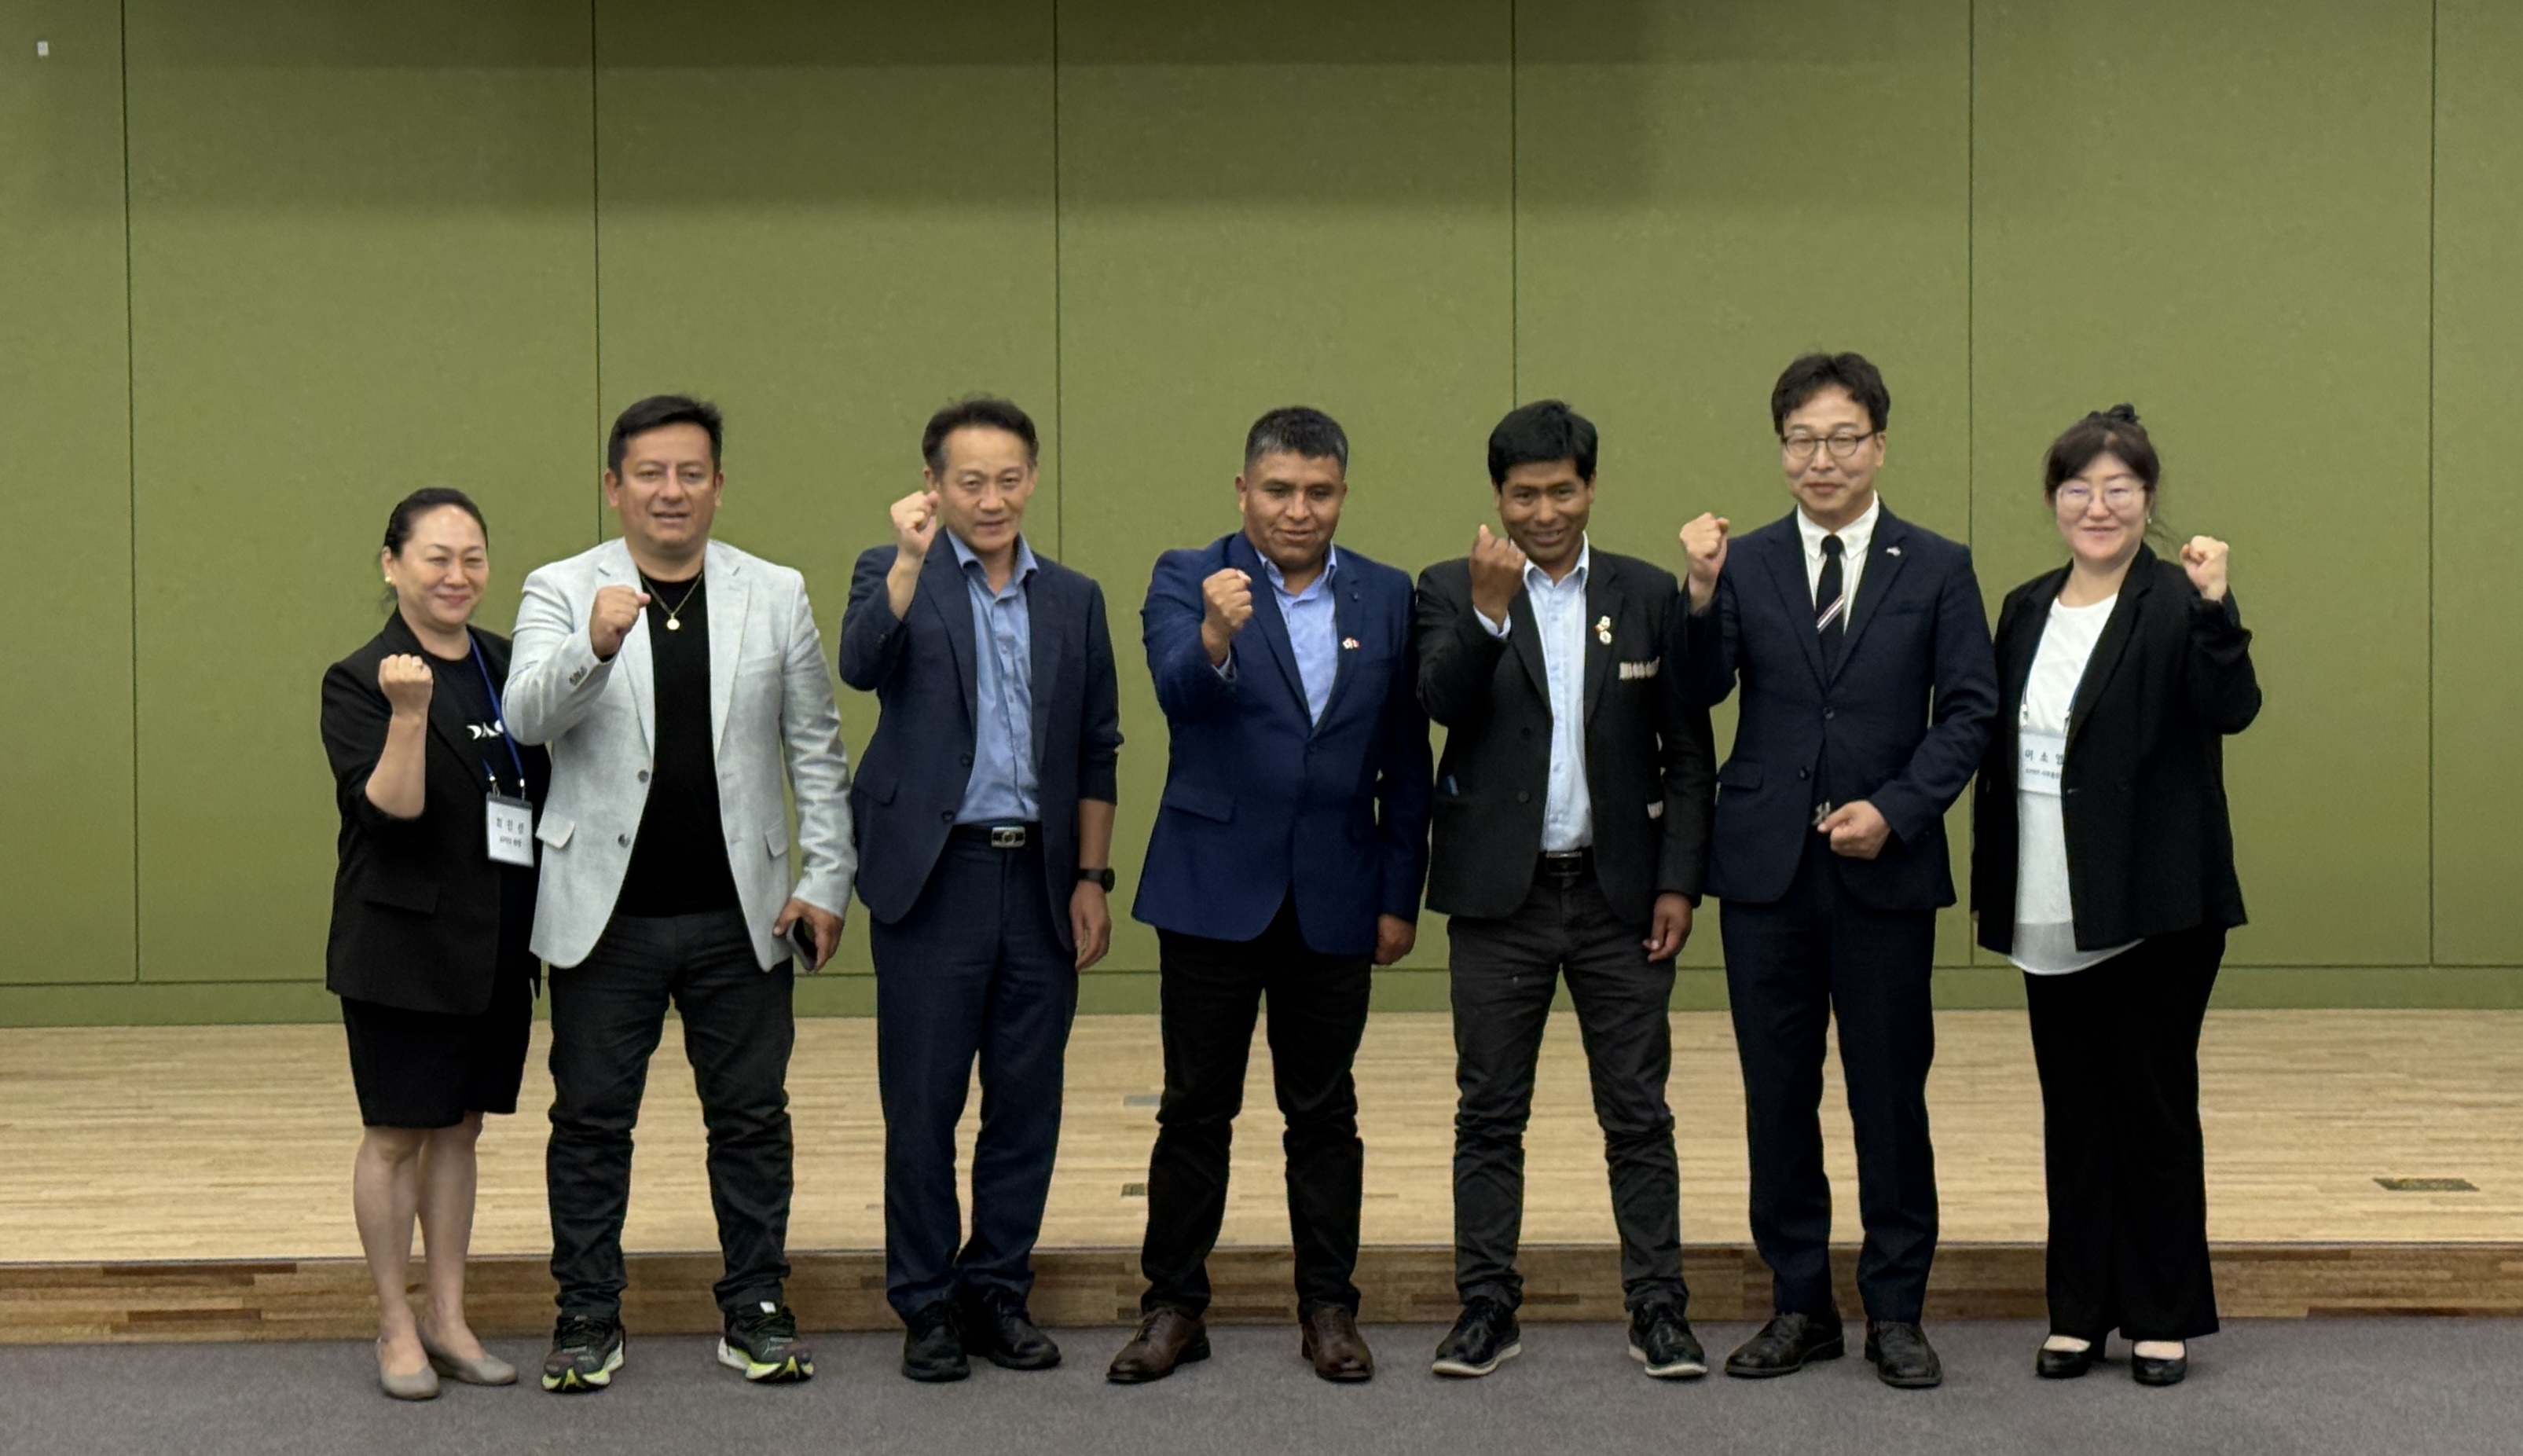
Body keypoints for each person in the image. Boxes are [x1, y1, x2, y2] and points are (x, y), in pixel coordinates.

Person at [504, 395, 855, 1392]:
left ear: (718, 485)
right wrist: (592, 645)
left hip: (743, 911)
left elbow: (817, 748)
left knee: (750, 1119)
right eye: (650, 473)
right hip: (603, 915)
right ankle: (585, 1314)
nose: (671, 490)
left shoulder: (774, 591)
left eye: (691, 472)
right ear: (614, 486)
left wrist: (825, 879)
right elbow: (526, 716)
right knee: (589, 1123)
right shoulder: (561, 587)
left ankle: (756, 1306)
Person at [1678, 352, 1997, 1390]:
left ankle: (1895, 1312)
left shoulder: (1936, 564)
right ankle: (1798, 1304)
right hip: (1764, 871)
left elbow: (1969, 710)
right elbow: (1697, 688)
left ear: (1879, 445)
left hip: (1882, 870)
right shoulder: (1744, 562)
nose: (1822, 458)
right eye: (1801, 440)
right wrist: (1697, 592)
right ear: (1781, 451)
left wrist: (1897, 809)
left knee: (1887, 1097)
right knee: (1777, 1095)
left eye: (1842, 438)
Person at [1107, 406, 1432, 1385]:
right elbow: (1177, 694)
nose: (1298, 509)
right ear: (1243, 490)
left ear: (1343, 494)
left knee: (1324, 1113)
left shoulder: (1386, 593)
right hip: (1212, 887)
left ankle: (1329, 1308)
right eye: (1279, 490)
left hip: (1338, 889)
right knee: (1194, 1109)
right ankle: (1173, 1305)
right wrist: (1215, 631)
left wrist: (1399, 891)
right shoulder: (1188, 575)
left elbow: (1406, 757)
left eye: (1318, 491)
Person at [1414, 402, 1716, 1380]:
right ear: (1496, 496)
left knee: (1638, 1113)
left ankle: (1658, 1309)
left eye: (1561, 491)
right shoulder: (1449, 586)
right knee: (1488, 1113)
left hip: (1617, 897)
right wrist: (1488, 612)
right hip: (1496, 901)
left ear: (1590, 487)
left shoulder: (1646, 593)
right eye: (1522, 494)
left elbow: (1686, 752)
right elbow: (1441, 702)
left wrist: (1678, 881)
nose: (1543, 512)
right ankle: (1485, 1307)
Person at [1971, 405, 2257, 1388]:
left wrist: (2219, 607)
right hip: (2046, 895)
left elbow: (2232, 707)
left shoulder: (2178, 599)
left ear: (2147, 499)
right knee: (2073, 1112)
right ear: (2054, 500)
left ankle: (2161, 1314)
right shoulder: (2023, 606)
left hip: (2156, 902)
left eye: (2118, 489)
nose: (2097, 507)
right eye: (2077, 488)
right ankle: (2078, 1311)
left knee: (2152, 1109)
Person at [839, 396, 1124, 1382]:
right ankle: (924, 1299)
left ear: (1032, 478)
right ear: (932, 484)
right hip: (935, 876)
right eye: (970, 481)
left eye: (1008, 479)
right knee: (922, 1104)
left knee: (1026, 1101)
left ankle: (997, 1285)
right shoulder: (892, 571)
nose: (991, 498)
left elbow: (1097, 746)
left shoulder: (1073, 597)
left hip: (1040, 877)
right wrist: (909, 559)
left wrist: (1091, 876)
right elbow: (861, 662)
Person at [321, 488, 550, 1400]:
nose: (457, 575)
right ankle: (394, 1322)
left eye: (472, 557)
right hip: (402, 947)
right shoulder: (360, 677)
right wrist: (409, 713)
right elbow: (392, 813)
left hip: (495, 942)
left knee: (459, 1130)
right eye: (436, 557)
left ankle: (450, 1318)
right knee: (394, 1135)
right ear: (392, 565)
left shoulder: (505, 662)